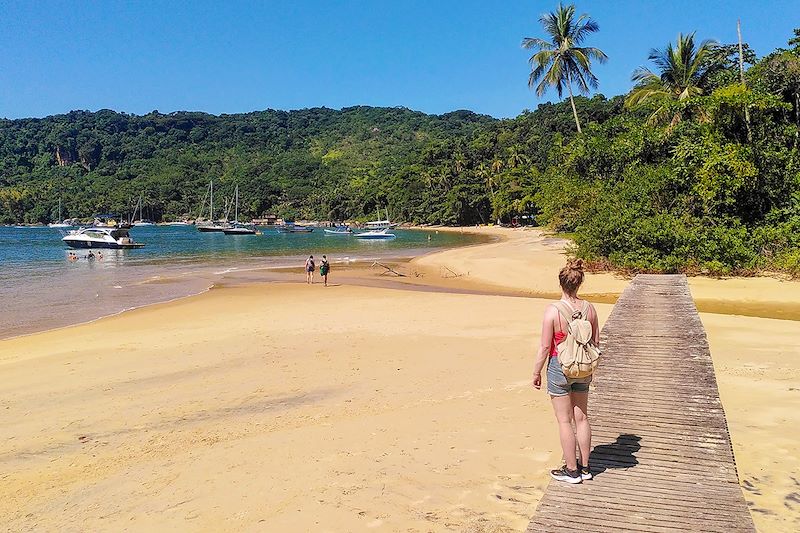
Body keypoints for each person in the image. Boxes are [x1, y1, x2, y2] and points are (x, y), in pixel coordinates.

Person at [532, 259, 599, 484]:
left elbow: (544, 346)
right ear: (579, 283)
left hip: (559, 367)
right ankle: (586, 467)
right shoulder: (590, 309)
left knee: (564, 421)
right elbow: (595, 343)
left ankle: (571, 470)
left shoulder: (553, 311)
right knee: (581, 418)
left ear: (561, 284)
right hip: (583, 368)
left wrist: (536, 372)